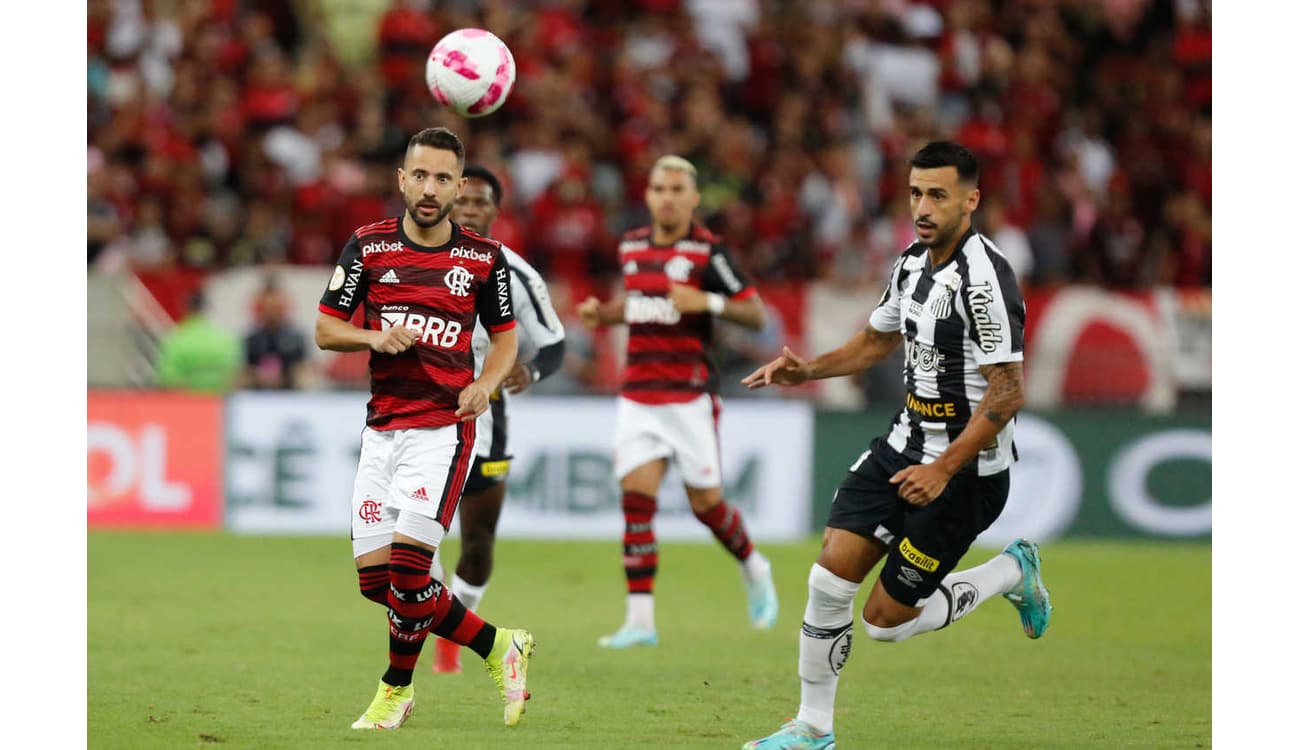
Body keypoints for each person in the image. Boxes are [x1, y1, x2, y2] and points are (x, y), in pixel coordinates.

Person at [739, 141, 1053, 750]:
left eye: (938, 194)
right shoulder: (911, 263)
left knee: (884, 623)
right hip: (901, 446)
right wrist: (808, 371)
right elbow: (875, 343)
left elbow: (1008, 391)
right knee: (828, 577)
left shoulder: (985, 279)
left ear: (971, 200)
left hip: (966, 472)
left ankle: (1012, 571)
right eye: (915, 193)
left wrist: (944, 467)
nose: (923, 207)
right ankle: (812, 729)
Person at [315, 127, 535, 730]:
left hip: (442, 430)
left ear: (458, 186)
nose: (431, 188)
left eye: (444, 178)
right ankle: (498, 645)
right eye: (422, 175)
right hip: (381, 429)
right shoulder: (367, 247)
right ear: (402, 180)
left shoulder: (481, 260)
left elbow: (507, 342)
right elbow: (326, 328)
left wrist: (484, 385)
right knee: (376, 583)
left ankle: (394, 692)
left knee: (411, 573)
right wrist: (371, 335)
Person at [576, 154, 778, 649]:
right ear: (648, 196)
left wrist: (707, 302)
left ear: (692, 199)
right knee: (636, 502)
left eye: (676, 190)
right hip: (639, 394)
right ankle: (640, 621)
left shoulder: (711, 253)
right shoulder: (632, 246)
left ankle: (755, 566)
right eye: (659, 189)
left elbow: (756, 315)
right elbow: (642, 303)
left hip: (689, 396)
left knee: (707, 506)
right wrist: (606, 314)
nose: (667, 197)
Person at [429, 164, 567, 674]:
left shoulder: (514, 270)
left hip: (484, 417)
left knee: (479, 541)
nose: (468, 209)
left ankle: (454, 628)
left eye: (481, 202)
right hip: (417, 413)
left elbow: (555, 343)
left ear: (494, 210)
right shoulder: (410, 254)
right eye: (462, 198)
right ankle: (442, 626)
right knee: (416, 534)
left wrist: (529, 371)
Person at [154, 290, 242, 393]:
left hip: (187, 405)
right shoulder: (226, 339)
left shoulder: (174, 340)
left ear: (184, 308)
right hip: (220, 404)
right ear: (206, 308)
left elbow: (169, 381)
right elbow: (235, 378)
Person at [242, 275, 309, 389]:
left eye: (275, 308)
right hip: (257, 386)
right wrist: (257, 376)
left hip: (288, 385)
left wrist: (287, 376)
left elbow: (303, 366)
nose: (271, 314)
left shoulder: (296, 338)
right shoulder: (252, 339)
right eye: (267, 308)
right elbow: (245, 367)